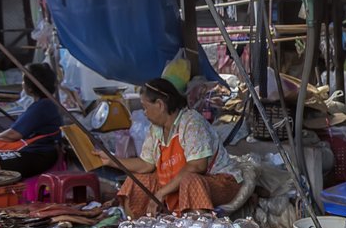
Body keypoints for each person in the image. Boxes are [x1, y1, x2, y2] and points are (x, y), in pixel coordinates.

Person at [99, 78, 242, 216]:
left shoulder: (191, 122)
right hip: (179, 183)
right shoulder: (156, 129)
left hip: (219, 182)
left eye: (145, 107)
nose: (144, 112)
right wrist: (112, 160)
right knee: (137, 181)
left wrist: (162, 192)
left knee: (191, 181)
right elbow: (146, 164)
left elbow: (197, 166)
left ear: (160, 105)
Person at [0, 63, 64, 177]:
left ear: (30, 87)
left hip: (38, 154)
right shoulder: (43, 104)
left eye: (23, 80)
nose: (22, 84)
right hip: (34, 151)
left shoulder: (43, 106)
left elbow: (12, 135)